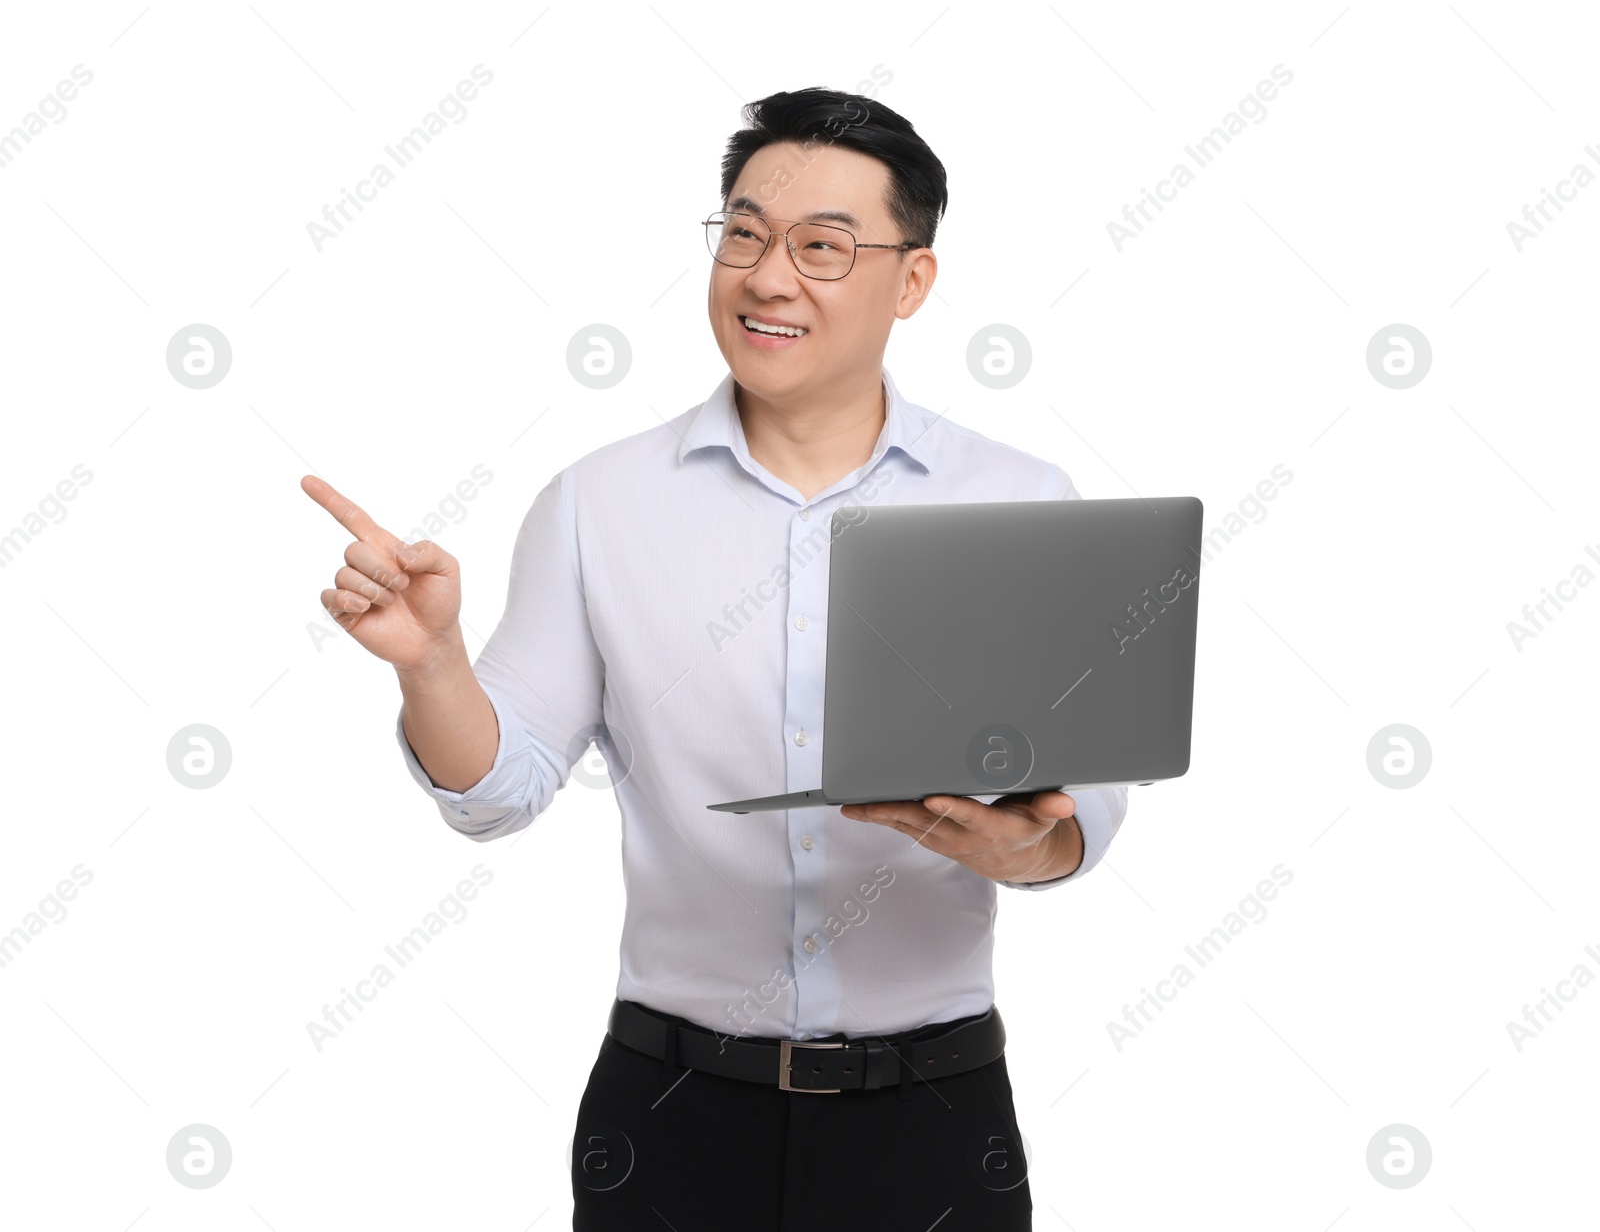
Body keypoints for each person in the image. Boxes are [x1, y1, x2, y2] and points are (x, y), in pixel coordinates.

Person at [303, 87, 1128, 1230]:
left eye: (823, 246)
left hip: (931, 1118)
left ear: (913, 281)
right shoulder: (601, 503)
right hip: (672, 1114)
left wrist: (1024, 848)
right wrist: (431, 661)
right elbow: (496, 796)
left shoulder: (1020, 502)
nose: (768, 276)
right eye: (743, 233)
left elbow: (1082, 807)